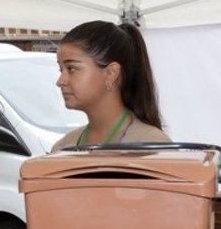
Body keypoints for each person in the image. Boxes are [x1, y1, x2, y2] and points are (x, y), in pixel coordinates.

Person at [52, 20, 171, 152]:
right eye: (61, 69)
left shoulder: (152, 146)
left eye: (72, 69)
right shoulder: (63, 147)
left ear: (111, 73)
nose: (60, 81)